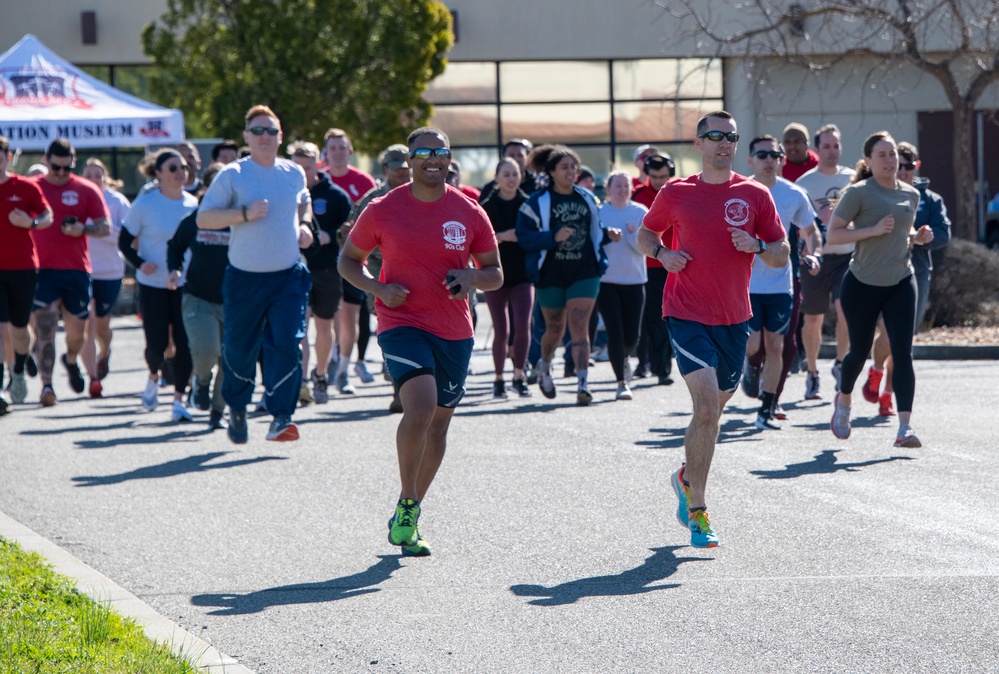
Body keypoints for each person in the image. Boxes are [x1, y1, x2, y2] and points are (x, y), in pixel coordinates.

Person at [338, 126, 502, 557]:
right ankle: (408, 503)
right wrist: (377, 289)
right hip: (401, 320)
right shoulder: (382, 209)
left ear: (449, 159)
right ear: (407, 161)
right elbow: (348, 261)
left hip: (454, 329)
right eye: (423, 151)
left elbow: (495, 273)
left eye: (441, 151)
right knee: (421, 406)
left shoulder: (469, 211)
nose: (433, 158)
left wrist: (470, 277)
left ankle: (408, 509)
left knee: (440, 425)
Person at [638, 111, 788, 548]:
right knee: (705, 408)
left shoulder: (755, 194)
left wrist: (759, 246)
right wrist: (663, 255)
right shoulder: (676, 191)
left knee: (716, 408)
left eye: (731, 137)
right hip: (685, 312)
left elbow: (780, 252)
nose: (724, 143)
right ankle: (699, 510)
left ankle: (686, 474)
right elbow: (646, 235)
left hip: (734, 318)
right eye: (716, 136)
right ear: (699, 143)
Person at [198, 104, 314, 444]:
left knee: (287, 344)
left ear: (281, 137)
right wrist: (243, 213)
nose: (265, 136)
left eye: (271, 131)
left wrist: (305, 224)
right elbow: (204, 219)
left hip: (288, 277)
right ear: (247, 136)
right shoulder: (233, 174)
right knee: (239, 347)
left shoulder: (292, 172)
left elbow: (302, 199)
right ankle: (237, 407)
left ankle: (281, 416)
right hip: (245, 278)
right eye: (258, 131)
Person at [828, 131, 933, 449]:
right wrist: (871, 230)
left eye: (893, 155)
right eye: (883, 155)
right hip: (861, 283)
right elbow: (833, 235)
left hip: (901, 280)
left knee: (903, 352)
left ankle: (904, 427)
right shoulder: (859, 193)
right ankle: (844, 401)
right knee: (858, 352)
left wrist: (918, 235)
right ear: (869, 161)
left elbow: (903, 230)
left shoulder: (910, 193)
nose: (891, 161)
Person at [516, 144, 621, 406]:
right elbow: (524, 237)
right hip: (550, 273)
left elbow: (595, 231)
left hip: (584, 272)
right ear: (551, 172)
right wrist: (552, 237)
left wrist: (608, 234)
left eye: (573, 167)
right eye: (564, 167)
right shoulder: (536, 203)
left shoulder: (587, 198)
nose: (570, 171)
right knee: (554, 328)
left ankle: (583, 384)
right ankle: (545, 367)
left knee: (579, 326)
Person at [742, 135, 821, 430]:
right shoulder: (739, 190)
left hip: (779, 283)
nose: (769, 160)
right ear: (750, 160)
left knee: (775, 345)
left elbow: (811, 231)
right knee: (753, 345)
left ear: (781, 160)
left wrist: (813, 255)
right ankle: (750, 367)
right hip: (746, 284)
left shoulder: (793, 194)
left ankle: (766, 408)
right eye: (762, 154)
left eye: (774, 155)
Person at [119, 149, 198, 422]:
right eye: (174, 168)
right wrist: (141, 264)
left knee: (185, 343)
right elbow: (123, 242)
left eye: (184, 168)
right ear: (159, 173)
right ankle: (154, 375)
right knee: (157, 344)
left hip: (184, 284)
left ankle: (179, 400)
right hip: (152, 283)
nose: (180, 173)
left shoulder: (194, 206)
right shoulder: (145, 205)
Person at [31, 138, 110, 407]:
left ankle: (72, 359)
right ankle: (47, 386)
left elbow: (105, 225)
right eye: (56, 168)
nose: (62, 173)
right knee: (46, 329)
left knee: (76, 335)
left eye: (67, 168)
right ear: (46, 161)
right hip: (42, 270)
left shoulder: (85, 189)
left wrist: (83, 229)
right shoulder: (33, 188)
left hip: (77, 270)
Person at [340, 144, 413, 413]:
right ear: (384, 170)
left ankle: (402, 381)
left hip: (414, 272)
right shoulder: (372, 201)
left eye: (406, 170)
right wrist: (345, 234)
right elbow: (348, 239)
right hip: (379, 273)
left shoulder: (421, 196)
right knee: (391, 324)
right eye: (396, 171)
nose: (402, 175)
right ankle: (398, 384)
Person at [166, 163, 229, 430]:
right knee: (207, 351)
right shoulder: (195, 220)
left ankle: (218, 410)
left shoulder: (242, 221)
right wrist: (174, 269)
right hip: (198, 297)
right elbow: (174, 247)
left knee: (230, 359)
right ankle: (201, 382)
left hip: (235, 299)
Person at [796, 123, 855, 400]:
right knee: (813, 319)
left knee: (846, 311)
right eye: (826, 146)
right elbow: (795, 223)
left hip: (847, 258)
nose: (832, 152)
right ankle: (812, 373)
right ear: (816, 150)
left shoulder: (854, 179)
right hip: (816, 259)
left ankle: (841, 364)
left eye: (836, 146)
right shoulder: (804, 183)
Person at [290, 141, 352, 404]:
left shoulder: (336, 195)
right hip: (294, 269)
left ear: (317, 164)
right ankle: (301, 381)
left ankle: (321, 374)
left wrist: (332, 237)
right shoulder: (284, 193)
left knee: (324, 327)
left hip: (327, 270)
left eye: (307, 167)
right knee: (299, 329)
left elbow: (352, 233)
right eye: (297, 167)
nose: (302, 173)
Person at [322, 128, 378, 394]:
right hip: (323, 261)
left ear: (351, 151)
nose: (337, 152)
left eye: (342, 147)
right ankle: (329, 361)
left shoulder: (364, 182)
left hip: (359, 259)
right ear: (326, 152)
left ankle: (348, 365)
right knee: (329, 315)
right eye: (332, 148)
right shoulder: (318, 181)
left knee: (353, 316)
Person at [0, 135, 53, 414]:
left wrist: (30, 222)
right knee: (0, 329)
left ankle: (18, 369)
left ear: (7, 158)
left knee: (19, 330)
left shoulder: (25, 187)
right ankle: (0, 388)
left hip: (22, 268)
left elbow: (48, 216)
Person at [480, 157, 533, 398]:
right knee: (501, 328)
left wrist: (520, 236)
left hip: (523, 274)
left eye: (515, 174)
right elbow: (479, 238)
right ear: (497, 178)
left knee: (523, 324)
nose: (512, 178)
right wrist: (501, 237)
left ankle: (519, 376)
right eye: (507, 174)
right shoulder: (487, 206)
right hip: (494, 274)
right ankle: (499, 379)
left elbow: (537, 235)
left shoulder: (527, 204)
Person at [79, 158, 129, 398]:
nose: (93, 179)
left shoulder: (117, 202)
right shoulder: (77, 198)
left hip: (110, 271)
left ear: (106, 178)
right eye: (88, 174)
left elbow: (129, 237)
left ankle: (105, 352)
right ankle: (93, 379)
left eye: (97, 175)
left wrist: (99, 229)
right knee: (86, 322)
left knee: (101, 325)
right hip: (82, 270)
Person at [597, 170, 647, 401]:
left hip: (635, 281)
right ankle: (621, 382)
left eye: (626, 186)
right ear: (607, 189)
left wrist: (630, 236)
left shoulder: (639, 212)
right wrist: (607, 236)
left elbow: (645, 248)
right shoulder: (599, 213)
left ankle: (624, 358)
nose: (622, 190)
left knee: (631, 337)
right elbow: (592, 244)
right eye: (617, 186)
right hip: (606, 282)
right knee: (615, 333)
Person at [631, 152, 677, 385]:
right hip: (645, 266)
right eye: (655, 176)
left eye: (663, 176)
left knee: (664, 317)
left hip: (671, 263)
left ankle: (663, 368)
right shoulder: (638, 196)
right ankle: (643, 362)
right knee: (645, 317)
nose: (659, 181)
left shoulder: (676, 194)